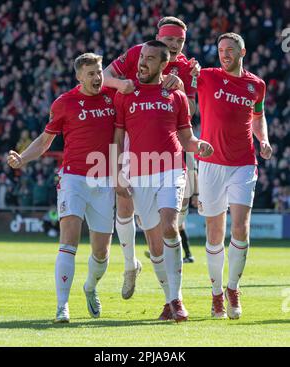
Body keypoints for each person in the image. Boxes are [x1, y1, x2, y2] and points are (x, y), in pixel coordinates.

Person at [7, 53, 116, 323]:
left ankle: (90, 287)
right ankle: (62, 307)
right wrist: (22, 158)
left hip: (105, 181)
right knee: (68, 241)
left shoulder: (112, 98)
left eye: (99, 71)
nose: (97, 77)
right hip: (73, 178)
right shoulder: (64, 103)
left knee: (101, 252)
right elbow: (45, 141)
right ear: (79, 76)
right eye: (90, 73)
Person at [113, 40, 213, 321]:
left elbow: (186, 137)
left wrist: (199, 145)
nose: (142, 63)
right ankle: (169, 300)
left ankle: (177, 302)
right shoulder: (126, 95)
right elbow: (118, 138)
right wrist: (116, 172)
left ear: (163, 64)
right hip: (139, 173)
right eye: (141, 57)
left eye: (149, 59)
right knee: (155, 246)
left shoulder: (176, 96)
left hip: (171, 168)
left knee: (170, 226)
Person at [104, 16, 199, 299]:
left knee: (168, 221)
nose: (176, 45)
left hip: (167, 142)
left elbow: (189, 111)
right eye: (170, 39)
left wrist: (181, 85)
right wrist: (122, 85)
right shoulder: (139, 52)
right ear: (159, 37)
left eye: (180, 41)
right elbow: (106, 76)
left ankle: (173, 294)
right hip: (131, 126)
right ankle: (130, 264)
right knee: (124, 203)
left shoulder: (185, 66)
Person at [195, 33, 272, 319]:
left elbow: (257, 116)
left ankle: (232, 289)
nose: (224, 54)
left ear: (242, 52)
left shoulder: (256, 85)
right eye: (220, 50)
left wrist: (262, 139)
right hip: (210, 163)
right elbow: (177, 75)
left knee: (240, 228)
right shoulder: (206, 76)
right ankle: (216, 294)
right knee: (214, 233)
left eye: (230, 50)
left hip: (243, 162)